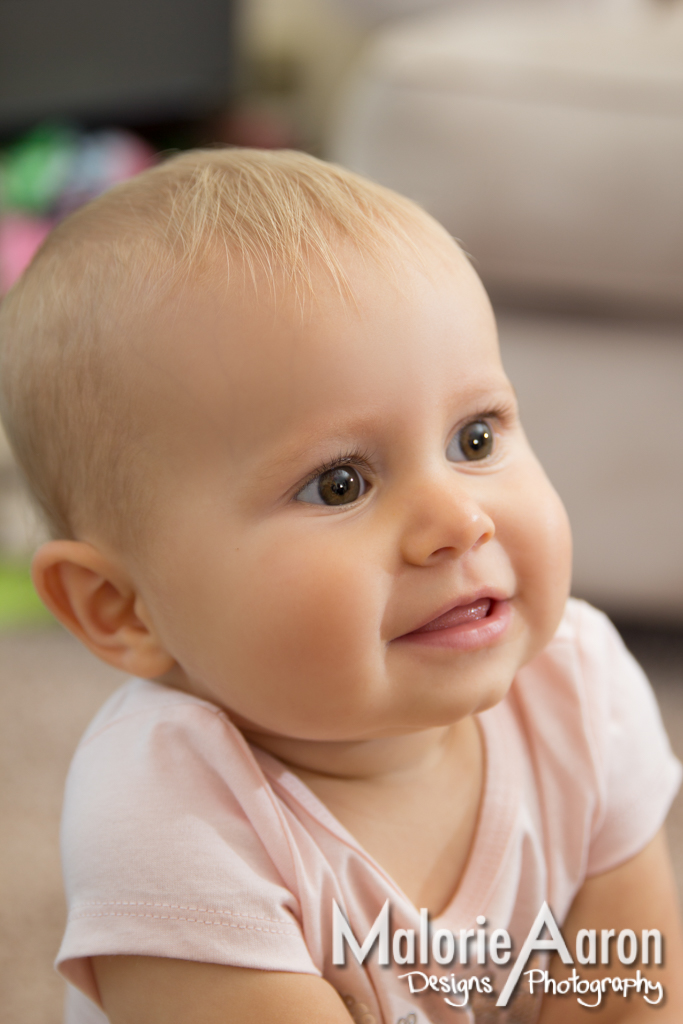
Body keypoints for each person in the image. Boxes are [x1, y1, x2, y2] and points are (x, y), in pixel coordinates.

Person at [0, 149, 680, 1024]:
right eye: (340, 484)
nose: (458, 522)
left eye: (474, 439)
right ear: (120, 608)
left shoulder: (582, 692)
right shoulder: (166, 818)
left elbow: (625, 1006)